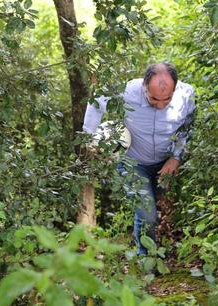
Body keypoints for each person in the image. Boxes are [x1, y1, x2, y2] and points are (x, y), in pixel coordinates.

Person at [83, 63, 195, 255]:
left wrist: (176, 157)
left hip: (166, 163)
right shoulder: (127, 91)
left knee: (164, 209)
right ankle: (146, 259)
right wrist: (90, 137)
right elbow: (97, 99)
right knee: (147, 212)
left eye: (166, 100)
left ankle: (165, 250)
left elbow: (188, 127)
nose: (160, 105)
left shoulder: (187, 94)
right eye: (154, 99)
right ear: (144, 86)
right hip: (132, 162)